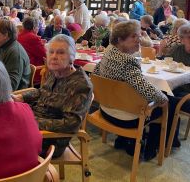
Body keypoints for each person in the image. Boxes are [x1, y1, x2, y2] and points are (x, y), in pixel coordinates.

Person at [93, 20, 179, 160]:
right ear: (120, 40)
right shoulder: (128, 61)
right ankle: (150, 150)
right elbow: (144, 88)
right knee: (167, 101)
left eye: (139, 35)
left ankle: (122, 141)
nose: (138, 40)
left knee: (134, 96)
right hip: (125, 119)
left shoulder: (108, 51)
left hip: (106, 110)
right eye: (133, 36)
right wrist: (163, 100)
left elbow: (96, 74)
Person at [13, 35, 93, 157]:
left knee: (3, 141)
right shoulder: (56, 71)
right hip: (35, 121)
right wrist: (22, 97)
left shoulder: (80, 85)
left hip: (51, 139)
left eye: (61, 53)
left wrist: (31, 121)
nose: (54, 56)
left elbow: (70, 124)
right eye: (51, 52)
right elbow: (42, 91)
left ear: (72, 57)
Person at [0, 19, 31, 90]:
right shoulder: (3, 47)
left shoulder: (15, 53)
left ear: (5, 35)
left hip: (13, 95)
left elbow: (12, 85)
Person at [166, 24, 190, 113]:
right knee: (160, 96)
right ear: (181, 40)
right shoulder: (177, 49)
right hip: (175, 87)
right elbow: (164, 64)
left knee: (166, 100)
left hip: (187, 92)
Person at [18, 17, 46, 85]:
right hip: (34, 72)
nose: (38, 29)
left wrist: (40, 42)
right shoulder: (34, 38)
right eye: (38, 27)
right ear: (34, 27)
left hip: (21, 69)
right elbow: (46, 55)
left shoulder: (19, 36)